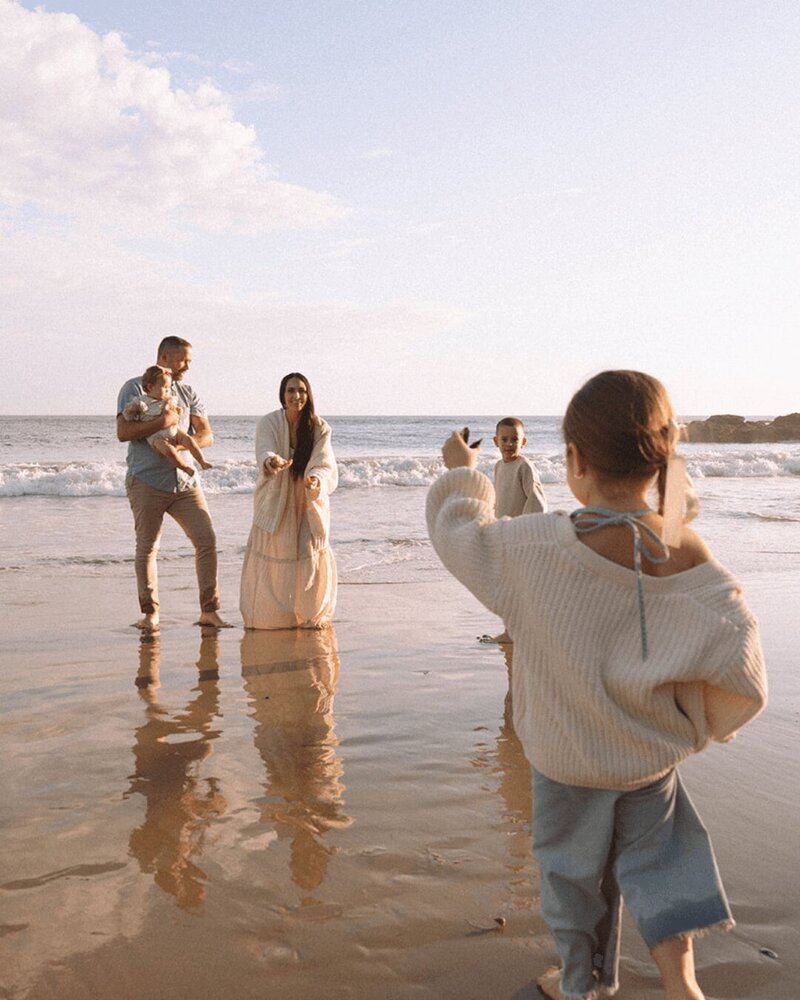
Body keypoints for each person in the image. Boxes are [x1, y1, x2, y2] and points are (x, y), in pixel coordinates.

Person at [426, 370, 767, 1000]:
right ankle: (681, 982)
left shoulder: (531, 548)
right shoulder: (683, 549)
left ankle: (583, 983)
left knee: (572, 880)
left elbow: (458, 536)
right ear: (661, 456)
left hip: (565, 766)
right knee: (663, 868)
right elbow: (743, 662)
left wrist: (464, 472)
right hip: (648, 763)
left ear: (574, 461)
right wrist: (695, 721)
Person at [117, 336, 231, 632]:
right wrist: (163, 424)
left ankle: (209, 611)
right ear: (165, 357)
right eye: (184, 360)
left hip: (185, 483)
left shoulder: (187, 391)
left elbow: (206, 435)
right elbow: (123, 430)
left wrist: (177, 446)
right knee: (147, 548)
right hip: (146, 480)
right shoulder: (135, 387)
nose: (188, 367)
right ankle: (150, 614)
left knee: (206, 541)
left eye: (189, 361)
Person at [239, 372, 338, 630]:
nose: (296, 396)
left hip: (308, 497)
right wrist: (272, 461)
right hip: (277, 495)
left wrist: (316, 480)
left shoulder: (319, 427)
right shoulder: (269, 422)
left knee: (310, 553)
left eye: (302, 390)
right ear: (282, 395)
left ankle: (311, 614)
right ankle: (274, 617)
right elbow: (265, 449)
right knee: (276, 554)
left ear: (308, 394)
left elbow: (324, 461)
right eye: (291, 390)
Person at [480, 416, 548, 643]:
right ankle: (515, 630)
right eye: (505, 439)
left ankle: (515, 632)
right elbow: (501, 499)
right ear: (495, 441)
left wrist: (524, 530)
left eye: (514, 440)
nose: (509, 444)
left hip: (522, 537)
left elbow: (538, 501)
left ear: (524, 442)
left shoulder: (525, 467)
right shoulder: (499, 466)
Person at [123, 365, 213, 475]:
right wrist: (131, 410)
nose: (168, 390)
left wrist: (178, 411)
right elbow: (128, 417)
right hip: (156, 436)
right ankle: (185, 468)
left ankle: (202, 461)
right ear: (150, 387)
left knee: (189, 441)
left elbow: (176, 412)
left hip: (173, 430)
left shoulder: (169, 399)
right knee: (168, 451)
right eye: (165, 388)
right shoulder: (142, 402)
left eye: (169, 388)